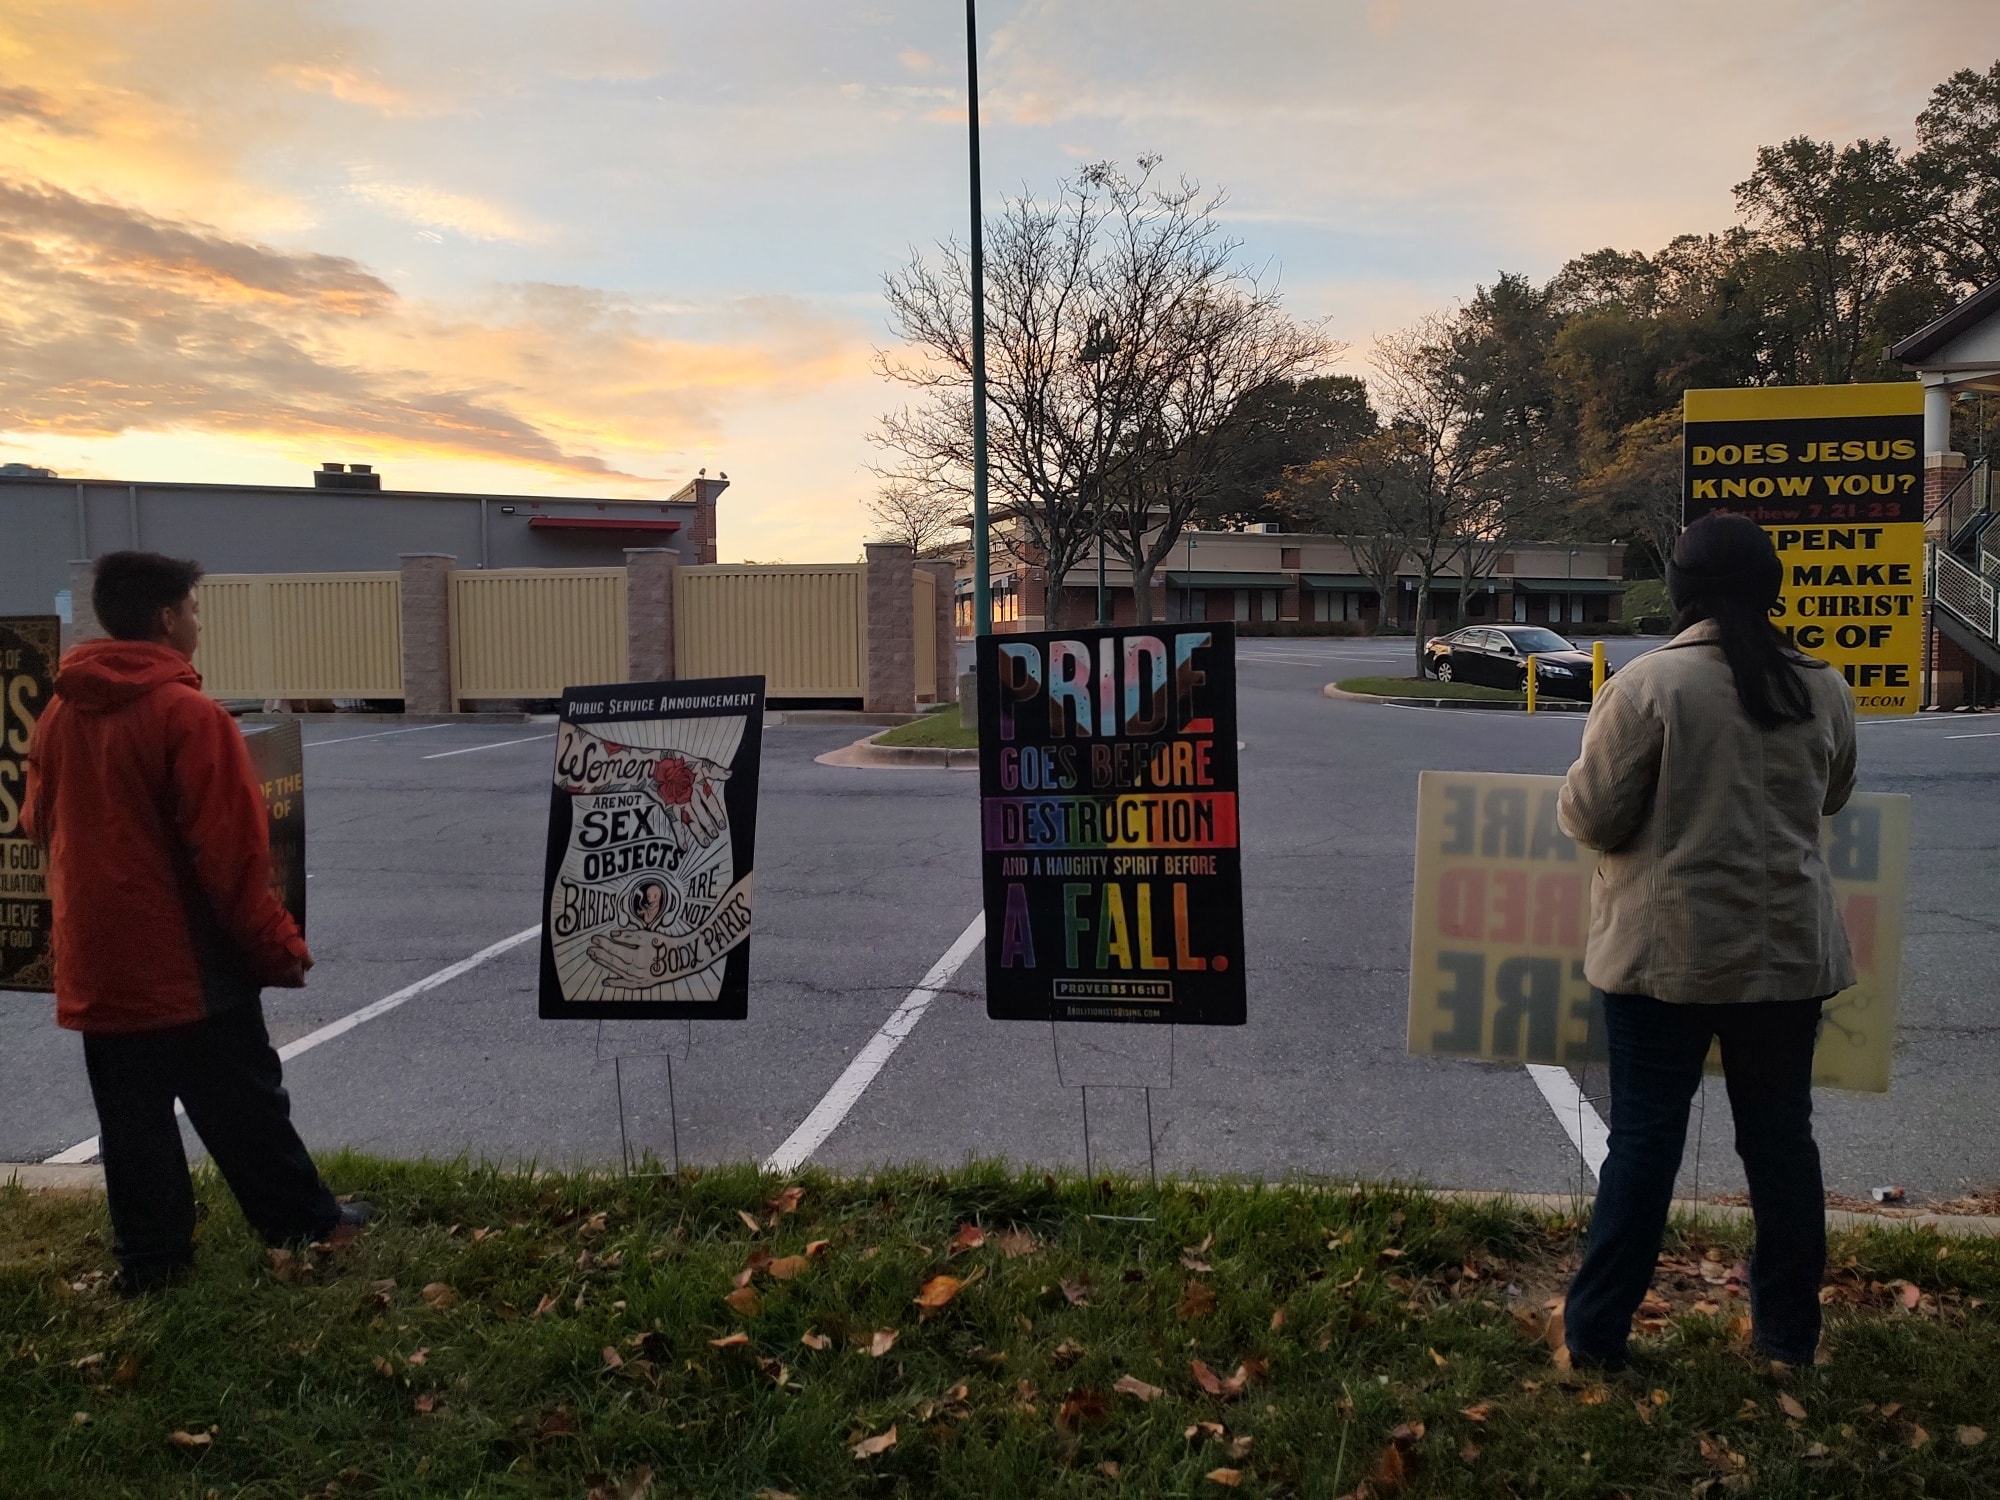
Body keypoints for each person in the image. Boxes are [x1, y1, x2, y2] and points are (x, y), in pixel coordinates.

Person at [1556, 513, 1857, 1371]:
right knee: (1781, 1144)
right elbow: (1832, 797)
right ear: (1772, 591)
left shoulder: (1650, 686)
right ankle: (1788, 1339)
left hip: (1663, 960)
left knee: (1645, 1143)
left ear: (1683, 593)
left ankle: (1597, 1337)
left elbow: (1592, 816)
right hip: (1789, 959)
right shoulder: (1819, 684)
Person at [25, 551, 367, 1294]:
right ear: (165, 620)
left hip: (98, 964)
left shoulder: (57, 712)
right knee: (243, 1099)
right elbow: (233, 857)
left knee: (132, 1121)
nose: (198, 625)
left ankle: (152, 1265)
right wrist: (277, 946)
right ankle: (306, 1225)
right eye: (194, 611)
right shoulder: (189, 716)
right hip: (187, 964)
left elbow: (34, 822)